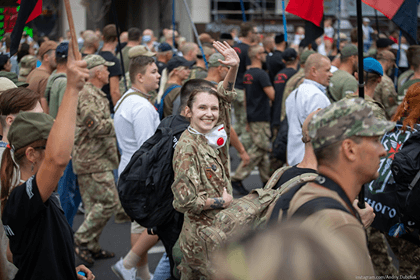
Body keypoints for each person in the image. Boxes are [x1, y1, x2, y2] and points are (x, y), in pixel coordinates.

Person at [0, 40, 94, 280]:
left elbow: (13, 254)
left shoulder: (32, 198)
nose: (65, 154)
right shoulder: (22, 197)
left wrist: (65, 269)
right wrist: (72, 88)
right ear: (31, 154)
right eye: (49, 146)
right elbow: (57, 160)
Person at [171, 41, 239, 279]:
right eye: (202, 108)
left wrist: (234, 67)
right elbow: (184, 202)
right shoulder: (187, 147)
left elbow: (226, 97)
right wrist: (222, 201)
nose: (209, 113)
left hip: (216, 233)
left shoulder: (210, 133)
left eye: (213, 108)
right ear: (188, 112)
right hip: (200, 242)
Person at [112, 55, 160, 280]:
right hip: (141, 174)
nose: (158, 75)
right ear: (139, 77)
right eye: (153, 71)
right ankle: (128, 264)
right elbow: (146, 149)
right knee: (163, 218)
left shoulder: (127, 99)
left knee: (139, 225)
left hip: (130, 170)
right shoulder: (140, 106)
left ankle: (141, 273)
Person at [72, 54, 119, 267]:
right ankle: (81, 239)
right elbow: (95, 127)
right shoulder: (88, 95)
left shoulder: (94, 93)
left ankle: (91, 246)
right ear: (98, 73)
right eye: (106, 69)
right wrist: (115, 122)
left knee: (93, 206)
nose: (109, 72)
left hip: (95, 157)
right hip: (93, 159)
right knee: (109, 202)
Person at [231, 44, 274, 192]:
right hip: (261, 116)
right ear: (257, 55)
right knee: (260, 148)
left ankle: (267, 181)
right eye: (263, 53)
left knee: (262, 152)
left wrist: (247, 119)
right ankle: (237, 177)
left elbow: (245, 97)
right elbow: (272, 95)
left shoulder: (248, 75)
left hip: (252, 114)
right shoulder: (262, 74)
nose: (265, 55)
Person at [285, 53, 332, 166]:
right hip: (310, 162)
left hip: (295, 159)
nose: (331, 74)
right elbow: (319, 133)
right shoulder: (316, 96)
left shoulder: (294, 94)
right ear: (314, 71)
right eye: (327, 70)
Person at [26, 40, 58, 113]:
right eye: (56, 55)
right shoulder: (46, 78)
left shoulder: (33, 72)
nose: (58, 59)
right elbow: (45, 109)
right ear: (46, 57)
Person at [98, 24, 122, 114]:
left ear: (103, 38)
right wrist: (119, 111)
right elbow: (114, 91)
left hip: (97, 106)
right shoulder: (113, 60)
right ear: (117, 39)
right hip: (110, 110)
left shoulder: (96, 57)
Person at [373, 50, 398, 119]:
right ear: (389, 62)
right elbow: (391, 108)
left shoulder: (368, 75)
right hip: (381, 121)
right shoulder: (386, 81)